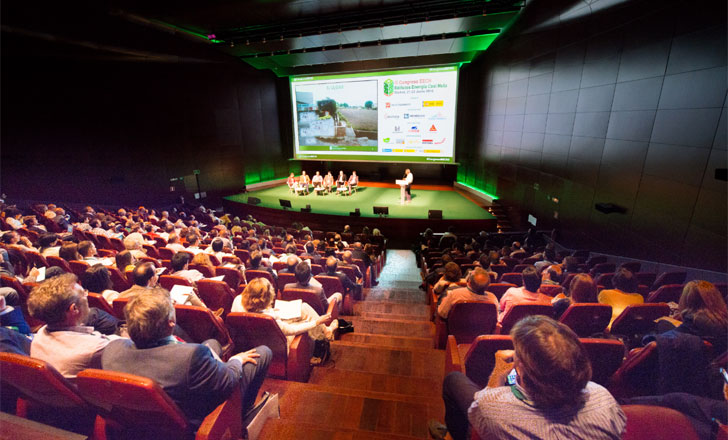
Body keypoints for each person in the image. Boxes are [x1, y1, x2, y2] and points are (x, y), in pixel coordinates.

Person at [431, 315, 626, 440]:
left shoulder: (495, 408)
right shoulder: (603, 398)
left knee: (453, 380)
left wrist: (499, 372)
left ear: (522, 368)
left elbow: (482, 404)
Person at [102, 288, 271, 431]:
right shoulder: (191, 357)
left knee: (212, 343)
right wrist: (236, 360)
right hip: (194, 416)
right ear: (171, 323)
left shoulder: (111, 350)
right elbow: (230, 379)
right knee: (263, 352)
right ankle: (242, 414)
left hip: (144, 422)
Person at [28, 273, 120, 379]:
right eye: (83, 293)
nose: (87, 295)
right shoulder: (96, 348)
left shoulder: (39, 336)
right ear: (74, 308)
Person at [232, 277, 336, 349]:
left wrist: (270, 311)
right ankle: (326, 331)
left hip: (254, 337)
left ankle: (326, 330)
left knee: (303, 307)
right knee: (306, 320)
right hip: (275, 343)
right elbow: (291, 330)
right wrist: (317, 322)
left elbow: (252, 315)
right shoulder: (269, 317)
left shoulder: (238, 299)